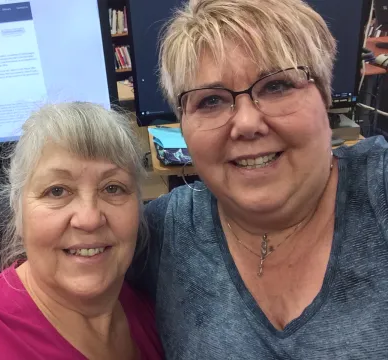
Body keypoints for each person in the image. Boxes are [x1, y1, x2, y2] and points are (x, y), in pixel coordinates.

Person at [136, 0, 388, 358]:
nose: (247, 124)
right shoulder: (164, 232)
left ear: (324, 95)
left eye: (277, 86)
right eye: (210, 101)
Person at [0, 103, 163, 359]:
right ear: (17, 211)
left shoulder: (158, 311)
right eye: (57, 190)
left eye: (112, 188)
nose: (89, 219)